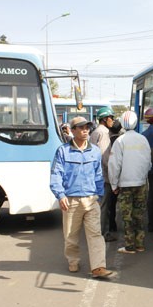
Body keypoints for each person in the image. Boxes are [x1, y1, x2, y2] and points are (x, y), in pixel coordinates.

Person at [50, 116, 115, 279]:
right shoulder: (63, 151)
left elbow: (98, 175)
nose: (85, 130)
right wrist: (60, 194)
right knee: (71, 237)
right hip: (71, 200)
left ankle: (98, 267)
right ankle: (73, 261)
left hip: (91, 199)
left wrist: (99, 196)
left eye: (87, 127)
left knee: (95, 234)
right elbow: (56, 174)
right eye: (81, 127)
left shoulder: (94, 151)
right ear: (72, 131)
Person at [108, 111, 151, 254]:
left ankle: (129, 246)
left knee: (127, 216)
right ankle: (140, 244)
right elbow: (148, 162)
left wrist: (114, 184)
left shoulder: (120, 141)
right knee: (139, 214)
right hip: (141, 182)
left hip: (125, 185)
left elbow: (114, 165)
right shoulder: (143, 139)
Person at [89, 106, 116, 242]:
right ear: (105, 119)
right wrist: (113, 175)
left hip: (95, 174)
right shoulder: (104, 133)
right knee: (104, 206)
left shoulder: (95, 132)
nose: (113, 120)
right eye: (111, 117)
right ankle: (103, 233)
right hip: (103, 176)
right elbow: (106, 157)